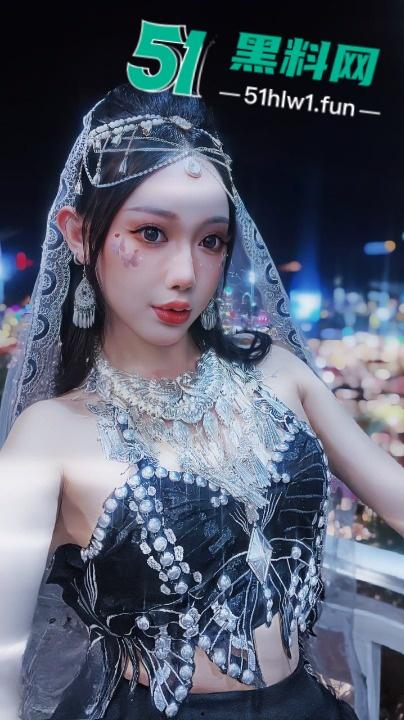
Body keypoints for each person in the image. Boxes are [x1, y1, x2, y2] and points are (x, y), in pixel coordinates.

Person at [1, 83, 403, 720]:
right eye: (151, 233)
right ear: (79, 234)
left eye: (211, 240)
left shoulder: (279, 373)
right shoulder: (49, 434)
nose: (186, 273)